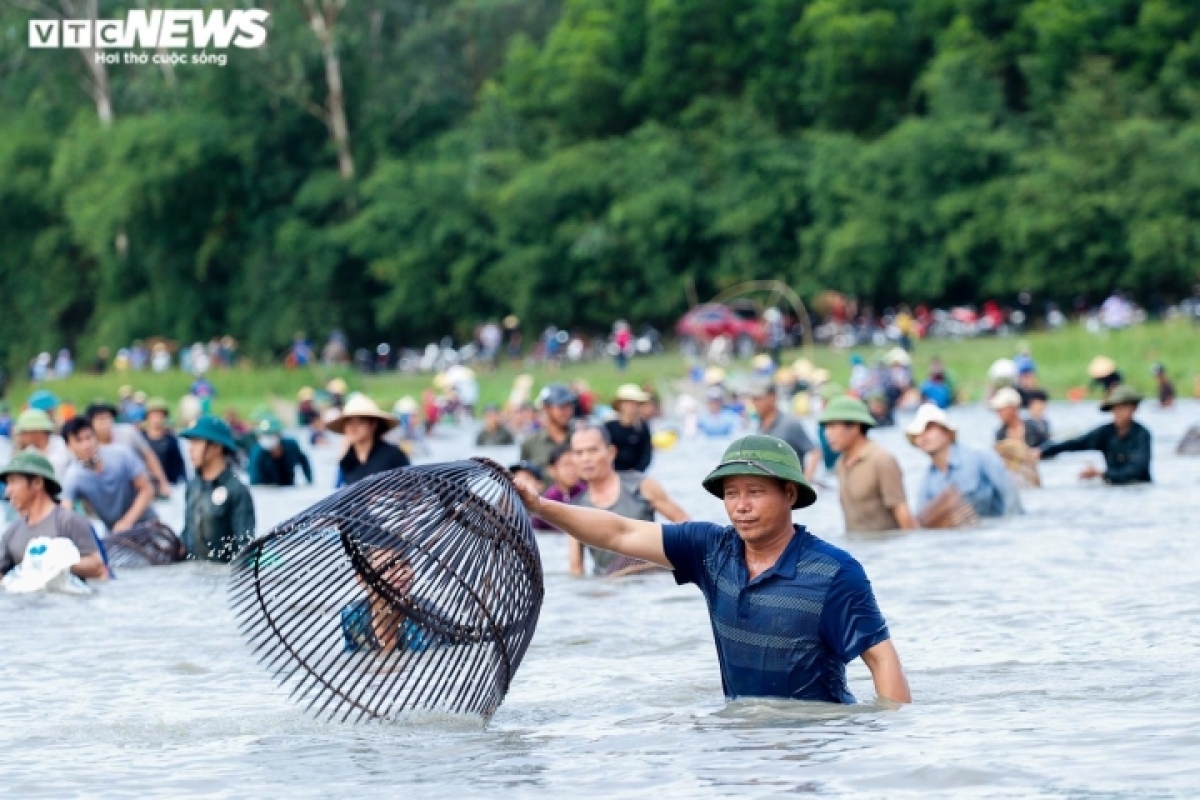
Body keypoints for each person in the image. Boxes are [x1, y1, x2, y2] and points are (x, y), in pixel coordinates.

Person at [513, 434, 910, 704]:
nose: (740, 506)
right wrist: (541, 507)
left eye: (755, 492)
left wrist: (892, 751)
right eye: (731, 493)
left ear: (790, 493)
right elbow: (619, 533)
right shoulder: (710, 550)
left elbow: (881, 659)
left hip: (815, 738)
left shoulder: (834, 571)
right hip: (740, 739)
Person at [567, 423, 690, 576]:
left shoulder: (641, 486)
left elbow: (686, 527)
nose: (586, 458)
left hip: (652, 577)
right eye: (579, 453)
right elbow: (576, 570)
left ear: (611, 452)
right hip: (610, 586)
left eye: (593, 450)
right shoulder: (576, 510)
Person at [0, 451, 107, 580]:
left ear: (37, 483)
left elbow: (98, 567)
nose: (8, 491)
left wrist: (58, 565)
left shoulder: (69, 522)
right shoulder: (11, 533)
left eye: (13, 482)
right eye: (8, 484)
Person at [820, 396, 916, 532]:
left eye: (832, 427)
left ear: (854, 427)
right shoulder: (840, 464)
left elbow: (903, 514)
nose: (827, 434)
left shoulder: (882, 460)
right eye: (826, 428)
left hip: (885, 549)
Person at [907, 404, 1017, 518]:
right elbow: (921, 520)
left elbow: (1010, 495)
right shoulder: (927, 482)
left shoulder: (980, 455)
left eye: (928, 429)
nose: (922, 437)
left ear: (947, 433)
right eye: (917, 434)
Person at [59, 418, 159, 534]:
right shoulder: (73, 476)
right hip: (116, 535)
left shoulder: (121, 454)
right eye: (78, 441)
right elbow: (65, 510)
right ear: (68, 446)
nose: (86, 445)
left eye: (88, 437)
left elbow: (147, 489)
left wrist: (127, 521)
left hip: (148, 522)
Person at [1036, 386, 1152, 484]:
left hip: (1139, 487)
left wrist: (1101, 474)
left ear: (1134, 409)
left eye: (1124, 407)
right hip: (1113, 488)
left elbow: (1138, 469)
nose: (1119, 412)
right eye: (1115, 408)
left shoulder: (1142, 435)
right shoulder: (1105, 432)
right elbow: (1076, 443)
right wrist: (1043, 451)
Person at [179, 415, 256, 561]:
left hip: (223, 576)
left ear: (216, 447)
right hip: (194, 573)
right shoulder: (192, 485)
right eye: (190, 443)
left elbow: (244, 547)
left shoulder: (237, 490)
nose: (190, 449)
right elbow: (187, 535)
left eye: (196, 442)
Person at [86, 400, 170, 497]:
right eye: (100, 419)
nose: (106, 423)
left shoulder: (128, 432)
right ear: (91, 423)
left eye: (108, 418)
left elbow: (148, 455)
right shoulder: (90, 445)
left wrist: (163, 483)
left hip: (141, 486)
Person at [330, 395, 410, 486]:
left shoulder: (393, 454)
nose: (353, 427)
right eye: (349, 422)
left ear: (373, 424)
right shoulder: (346, 460)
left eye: (359, 422)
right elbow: (336, 491)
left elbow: (413, 489)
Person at [749, 382, 813, 464]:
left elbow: (814, 452)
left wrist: (807, 476)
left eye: (758, 399)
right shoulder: (758, 424)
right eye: (753, 399)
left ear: (773, 397)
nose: (755, 403)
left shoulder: (789, 423)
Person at [519, 384, 575, 471]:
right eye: (562, 406)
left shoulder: (579, 439)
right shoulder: (530, 443)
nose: (568, 411)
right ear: (546, 408)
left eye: (570, 406)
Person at [247, 415, 313, 487]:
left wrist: (309, 481)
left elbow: (304, 461)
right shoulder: (257, 453)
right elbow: (254, 481)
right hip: (268, 488)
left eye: (270, 435)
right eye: (264, 435)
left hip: (288, 485)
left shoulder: (291, 446)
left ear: (279, 435)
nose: (267, 438)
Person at [534, 444, 586, 532]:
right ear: (552, 470)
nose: (572, 469)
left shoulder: (587, 493)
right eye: (566, 465)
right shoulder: (546, 500)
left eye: (574, 464)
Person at [605, 384, 654, 473]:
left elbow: (646, 453)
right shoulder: (609, 427)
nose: (632, 407)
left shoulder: (642, 427)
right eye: (629, 403)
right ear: (620, 405)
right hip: (613, 472)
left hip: (636, 473)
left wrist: (636, 471)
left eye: (635, 404)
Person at [140, 397, 188, 486]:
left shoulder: (171, 440)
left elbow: (179, 464)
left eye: (160, 415)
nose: (157, 419)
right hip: (146, 485)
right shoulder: (140, 438)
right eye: (154, 415)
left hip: (169, 484)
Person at [13, 409, 72, 479]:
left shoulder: (62, 447)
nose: (21, 437)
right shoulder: (30, 452)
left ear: (37, 431)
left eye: (23, 433)